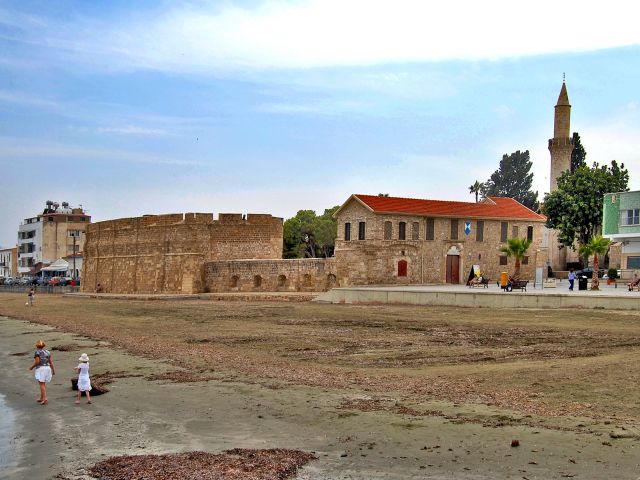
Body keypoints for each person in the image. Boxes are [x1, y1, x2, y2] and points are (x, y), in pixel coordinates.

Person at [29, 340, 55, 405]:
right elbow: (51, 362)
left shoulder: (37, 352)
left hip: (41, 369)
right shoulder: (48, 352)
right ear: (43, 345)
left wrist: (32, 367)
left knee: (41, 384)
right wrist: (53, 370)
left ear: (37, 346)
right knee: (43, 384)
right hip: (47, 368)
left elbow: (37, 362)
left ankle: (45, 399)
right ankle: (42, 397)